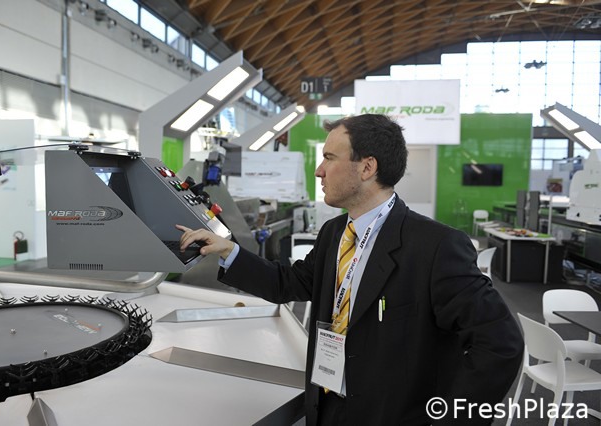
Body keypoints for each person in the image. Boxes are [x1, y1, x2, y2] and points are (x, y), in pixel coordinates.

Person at [177, 114, 523, 425]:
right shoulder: (335, 233)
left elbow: (500, 344)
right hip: (327, 401)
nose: (319, 171)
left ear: (367, 168)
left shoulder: (435, 246)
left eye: (329, 158)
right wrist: (229, 251)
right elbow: (290, 283)